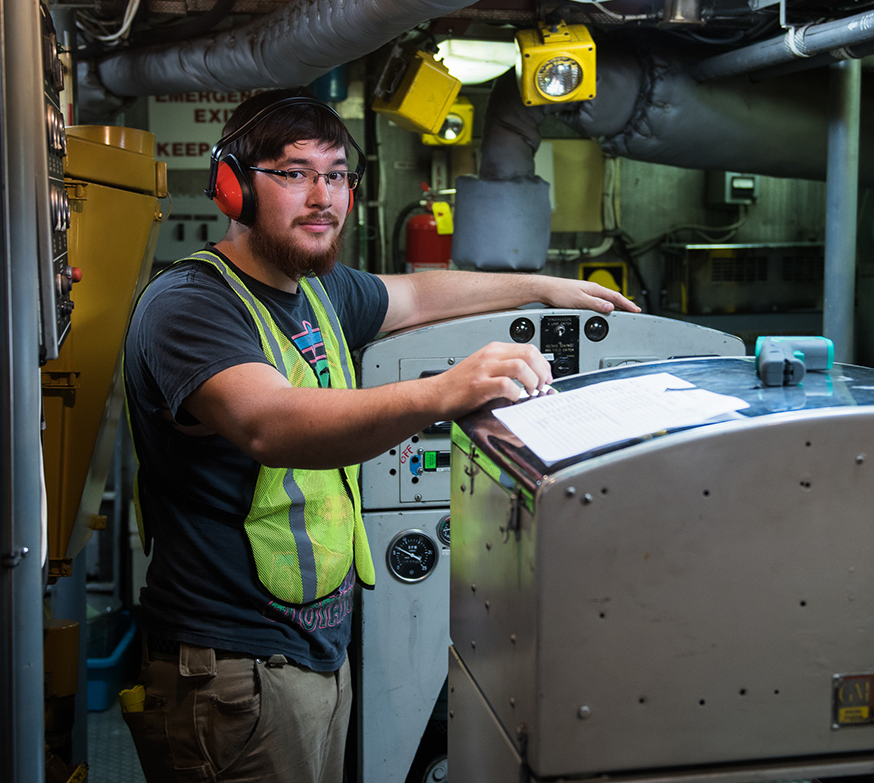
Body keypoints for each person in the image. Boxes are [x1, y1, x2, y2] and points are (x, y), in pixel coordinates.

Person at [121, 88, 637, 783]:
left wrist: (539, 286)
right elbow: (268, 425)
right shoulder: (192, 304)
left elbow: (418, 296)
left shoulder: (317, 291)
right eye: (294, 173)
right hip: (232, 663)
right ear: (233, 187)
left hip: (314, 650)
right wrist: (442, 393)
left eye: (335, 176)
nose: (321, 197)